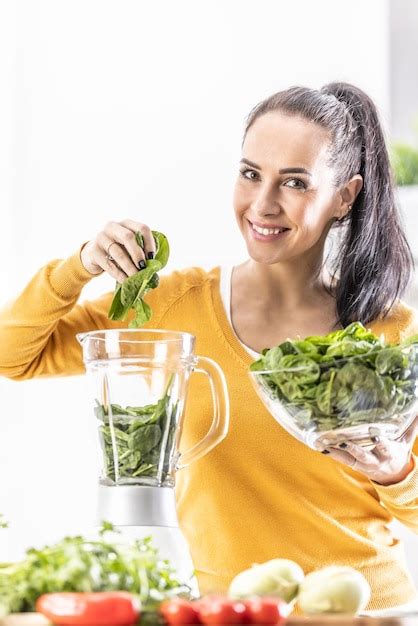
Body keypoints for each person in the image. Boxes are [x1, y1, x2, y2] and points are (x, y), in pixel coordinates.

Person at [1, 82, 418, 615]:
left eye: (294, 182)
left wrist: (397, 473)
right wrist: (78, 265)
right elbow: (13, 355)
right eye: (250, 174)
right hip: (223, 612)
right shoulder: (177, 307)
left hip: (367, 610)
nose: (263, 204)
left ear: (346, 196)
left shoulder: (391, 337)